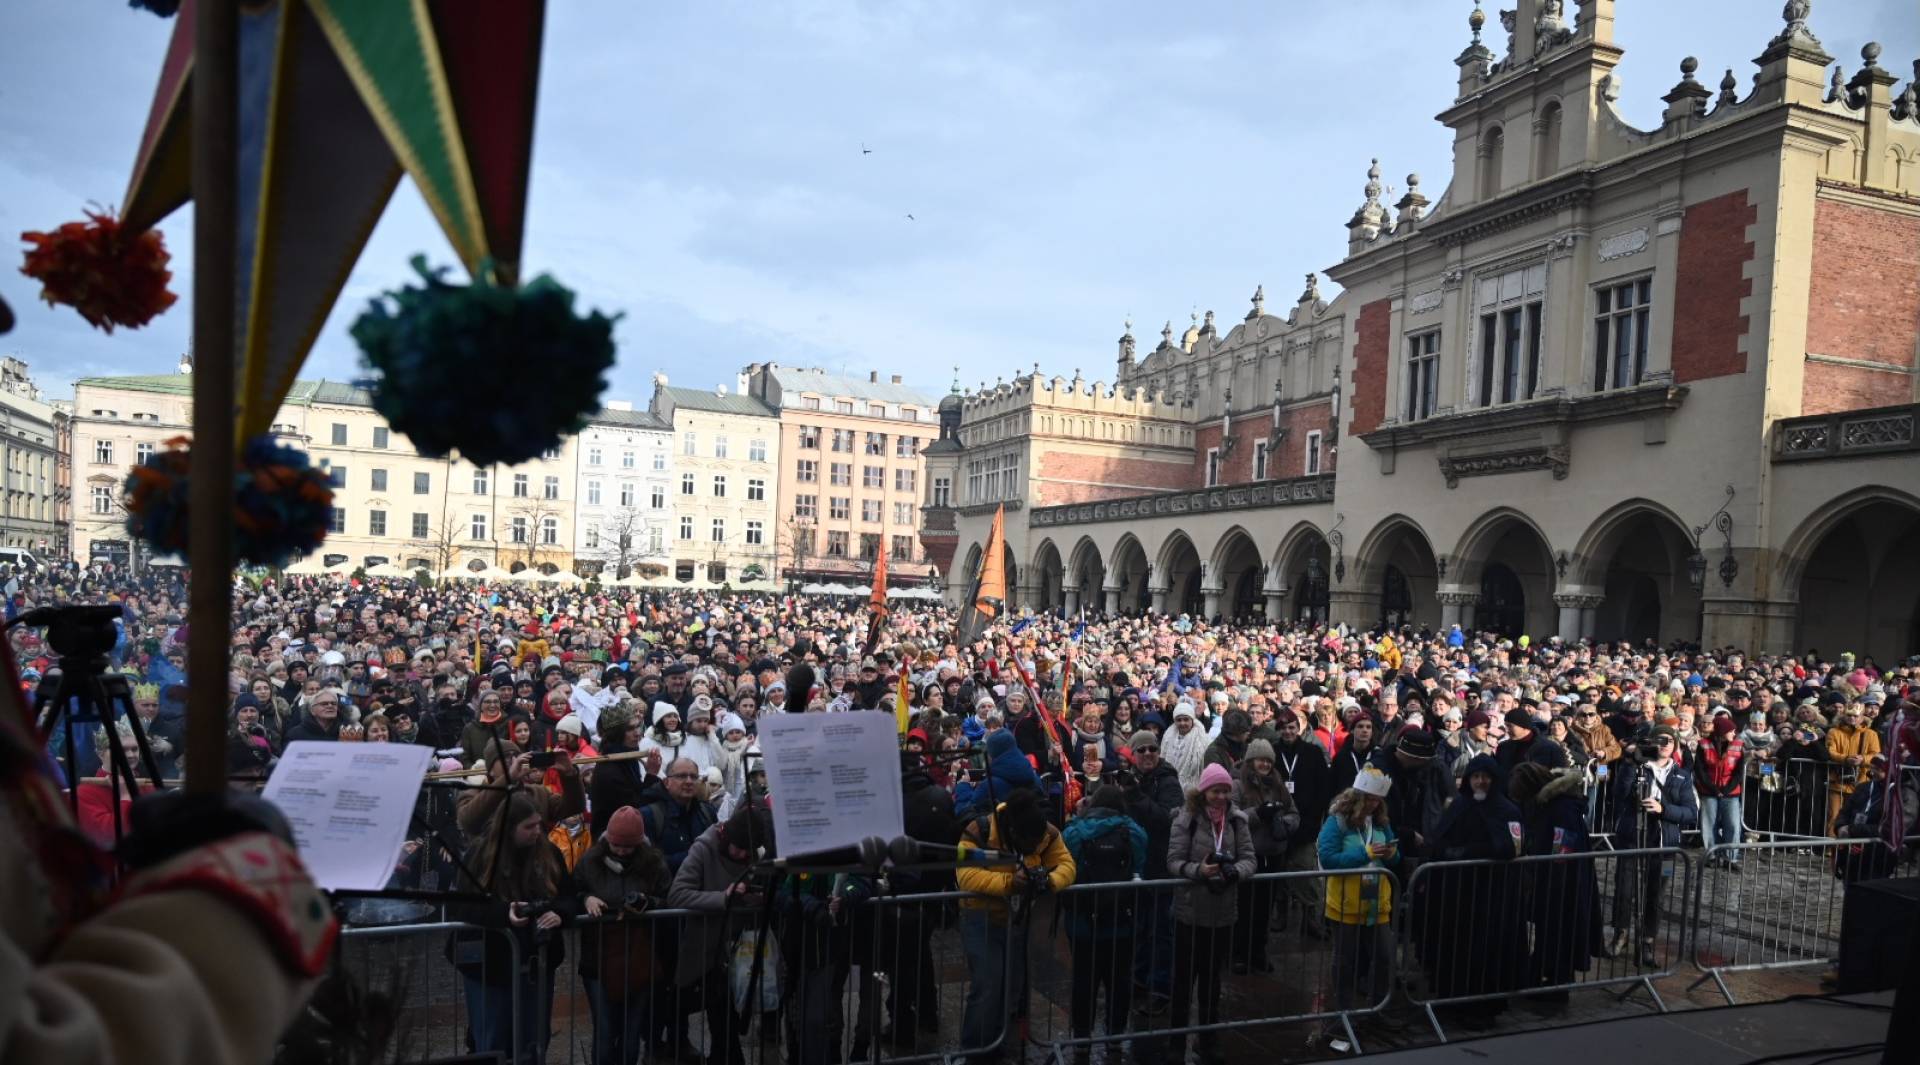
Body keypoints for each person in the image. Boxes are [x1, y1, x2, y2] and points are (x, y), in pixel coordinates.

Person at [954, 787, 1076, 1065]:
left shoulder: (1046, 832)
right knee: (987, 984)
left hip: (1018, 922)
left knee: (1012, 987)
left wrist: (1050, 881)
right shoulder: (980, 830)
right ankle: (974, 1051)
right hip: (980, 918)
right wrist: (1010, 884)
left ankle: (999, 1043)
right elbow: (965, 874)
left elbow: (1066, 863)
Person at [450, 791, 570, 1065]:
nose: (537, 831)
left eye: (539, 824)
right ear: (508, 828)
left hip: (537, 963)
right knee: (493, 1040)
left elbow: (568, 895)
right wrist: (504, 913)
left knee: (535, 1039)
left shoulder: (548, 852)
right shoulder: (480, 855)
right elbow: (460, 904)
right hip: (490, 966)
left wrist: (559, 913)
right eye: (529, 826)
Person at [1417, 754, 1525, 1031]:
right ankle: (1452, 1000)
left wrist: (1469, 852)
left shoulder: (1506, 809)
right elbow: (1439, 839)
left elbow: (1511, 847)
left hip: (1490, 895)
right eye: (1476, 776)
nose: (1480, 782)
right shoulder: (1459, 805)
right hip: (1456, 894)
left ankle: (1482, 1007)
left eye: (1485, 777)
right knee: (1454, 947)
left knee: (1484, 952)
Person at [667, 804, 775, 1065]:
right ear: (728, 836)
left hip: (739, 952)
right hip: (707, 950)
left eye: (747, 850)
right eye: (738, 847)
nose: (741, 854)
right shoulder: (704, 848)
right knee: (720, 1023)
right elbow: (677, 894)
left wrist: (756, 898)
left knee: (726, 1025)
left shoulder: (754, 854)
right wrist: (723, 897)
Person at [1162, 763, 1255, 1065]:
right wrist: (1198, 871)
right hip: (1190, 911)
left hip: (1222, 912)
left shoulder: (1238, 821)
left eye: (1226, 791)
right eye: (1217, 790)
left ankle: (1208, 1038)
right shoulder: (1185, 819)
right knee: (1182, 982)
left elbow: (1249, 859)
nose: (1221, 796)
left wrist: (1235, 873)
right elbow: (1174, 861)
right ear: (1204, 791)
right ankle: (1176, 1043)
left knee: (1212, 983)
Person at [572, 806, 670, 1065]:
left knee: (631, 1031)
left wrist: (647, 903)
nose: (622, 851)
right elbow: (571, 893)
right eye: (616, 845)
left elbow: (668, 897)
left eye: (628, 847)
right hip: (599, 958)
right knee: (604, 1031)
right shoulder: (590, 861)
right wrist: (586, 898)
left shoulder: (653, 863)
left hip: (638, 956)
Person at [1060, 785, 1147, 1065]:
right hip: (1123, 920)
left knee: (1084, 981)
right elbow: (1141, 865)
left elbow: (1066, 865)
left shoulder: (1074, 831)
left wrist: (1077, 815)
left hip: (1083, 923)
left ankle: (1082, 1041)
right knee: (1119, 982)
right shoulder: (1133, 832)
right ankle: (1114, 1038)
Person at [1507, 746, 1599, 1003]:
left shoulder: (1561, 810)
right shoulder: (1552, 805)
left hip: (1562, 883)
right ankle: (1545, 977)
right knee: (1551, 932)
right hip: (1552, 878)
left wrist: (1547, 873)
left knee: (1561, 932)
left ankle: (1558, 985)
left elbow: (1562, 849)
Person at [1316, 767, 1399, 1038]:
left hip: (1377, 903)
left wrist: (1392, 854)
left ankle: (1377, 1011)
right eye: (1370, 799)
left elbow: (1392, 859)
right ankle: (1342, 1014)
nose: (1374, 805)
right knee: (1345, 962)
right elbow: (1328, 858)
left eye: (1378, 800)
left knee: (1385, 957)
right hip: (1345, 904)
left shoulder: (1381, 822)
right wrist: (1364, 853)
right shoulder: (1337, 822)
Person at [1607, 727, 1697, 966]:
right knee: (1625, 889)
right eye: (1661, 739)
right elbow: (1619, 794)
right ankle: (1621, 934)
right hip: (1632, 837)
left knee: (1657, 894)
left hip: (1665, 843)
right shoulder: (1637, 767)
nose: (1666, 744)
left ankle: (1646, 941)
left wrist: (1663, 809)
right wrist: (1628, 762)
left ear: (1676, 745)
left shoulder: (1682, 776)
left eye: (1671, 740)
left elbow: (1691, 813)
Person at [1230, 738, 1299, 973]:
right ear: (1251, 760)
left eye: (1269, 760)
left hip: (1274, 854)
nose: (1265, 764)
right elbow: (1232, 816)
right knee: (1245, 908)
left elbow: (1293, 812)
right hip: (1250, 855)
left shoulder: (1277, 783)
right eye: (1261, 759)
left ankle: (1258, 951)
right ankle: (1239, 954)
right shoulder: (1238, 784)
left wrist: (1285, 824)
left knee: (1264, 909)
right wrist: (1258, 814)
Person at [1271, 710, 1334, 940]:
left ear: (1299, 729)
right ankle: (1281, 914)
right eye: (1284, 728)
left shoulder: (1313, 752)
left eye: (1292, 727)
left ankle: (1311, 919)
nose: (1288, 732)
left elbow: (1322, 788)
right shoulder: (1274, 753)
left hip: (1306, 824)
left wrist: (1315, 819)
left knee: (1306, 873)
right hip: (1278, 823)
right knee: (1279, 873)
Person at [1696, 715, 1746, 869]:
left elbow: (1739, 772)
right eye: (1731, 730)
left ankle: (1731, 858)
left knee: (1732, 825)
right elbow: (1700, 770)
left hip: (1730, 791)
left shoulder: (1738, 744)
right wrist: (1714, 789)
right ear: (1722, 731)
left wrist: (1726, 789)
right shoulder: (1703, 744)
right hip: (1709, 790)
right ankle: (1711, 855)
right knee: (1709, 825)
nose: (1734, 733)